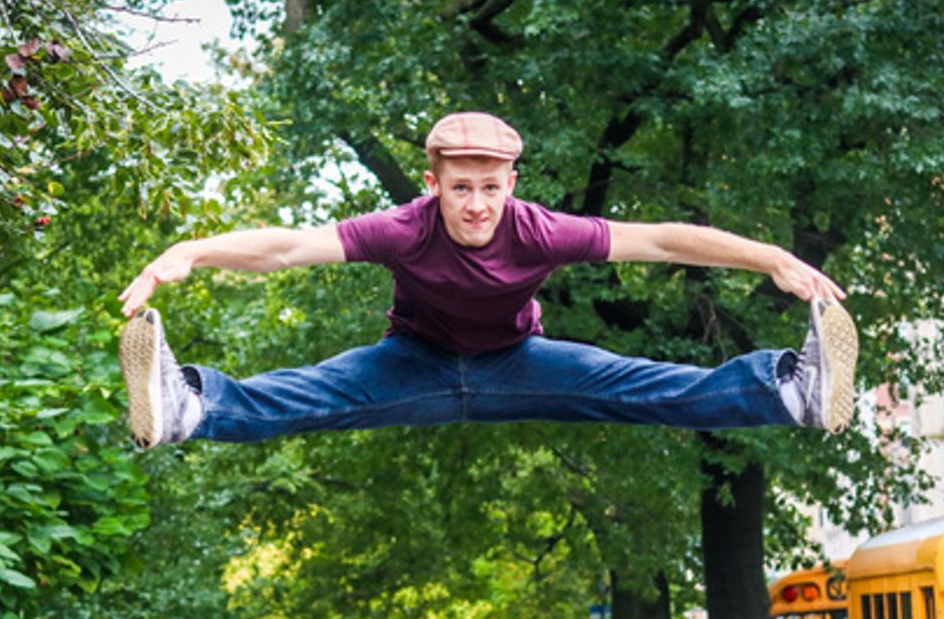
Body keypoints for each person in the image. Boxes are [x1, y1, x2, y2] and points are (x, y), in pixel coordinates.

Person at [116, 111, 857, 452]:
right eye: (461, 188)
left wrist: (769, 256)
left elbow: (659, 240)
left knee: (638, 385)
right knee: (314, 394)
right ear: (433, 183)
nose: (476, 206)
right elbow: (290, 248)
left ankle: (791, 391)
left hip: (517, 364)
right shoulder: (403, 228)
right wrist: (195, 250)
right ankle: (187, 407)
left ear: (511, 184)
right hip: (414, 365)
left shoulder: (539, 229)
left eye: (491, 189)